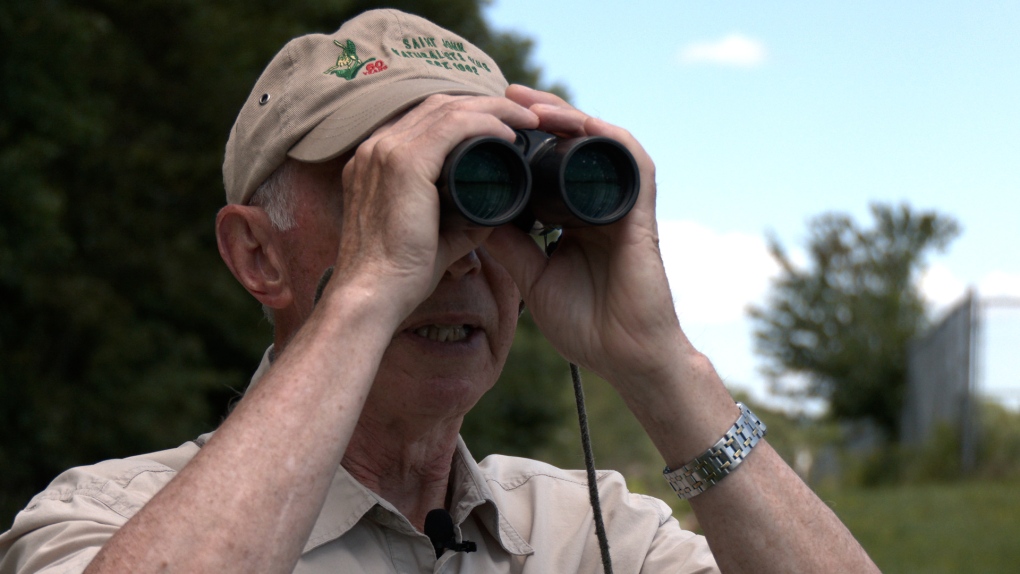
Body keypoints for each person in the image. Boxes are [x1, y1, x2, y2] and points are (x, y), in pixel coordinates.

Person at [0, 9, 879, 574]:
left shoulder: (591, 531)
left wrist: (659, 364)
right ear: (258, 256)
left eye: (483, 194)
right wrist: (373, 288)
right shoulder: (108, 519)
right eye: (387, 192)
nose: (454, 254)